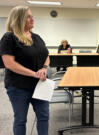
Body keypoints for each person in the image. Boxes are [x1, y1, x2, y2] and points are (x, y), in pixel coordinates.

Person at [0, 6, 50, 135]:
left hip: (40, 84)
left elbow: (47, 56)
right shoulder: (9, 37)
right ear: (19, 19)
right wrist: (34, 73)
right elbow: (9, 64)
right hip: (19, 86)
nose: (32, 19)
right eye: (28, 16)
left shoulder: (37, 37)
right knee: (21, 120)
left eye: (32, 16)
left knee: (44, 117)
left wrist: (44, 69)